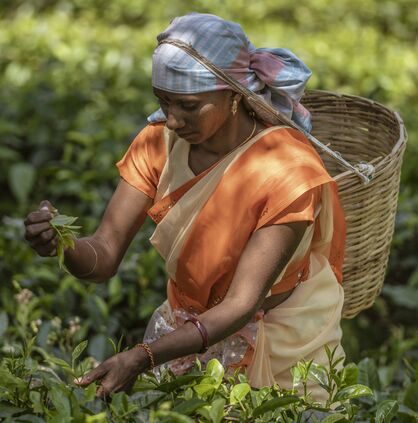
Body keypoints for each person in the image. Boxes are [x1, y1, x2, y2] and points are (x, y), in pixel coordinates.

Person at [24, 13, 346, 401]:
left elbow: (242, 304)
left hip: (284, 340)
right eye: (163, 101)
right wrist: (63, 242)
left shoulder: (286, 169)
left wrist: (143, 357)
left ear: (233, 95)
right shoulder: (157, 143)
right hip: (186, 327)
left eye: (188, 106)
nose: (172, 120)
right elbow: (105, 255)